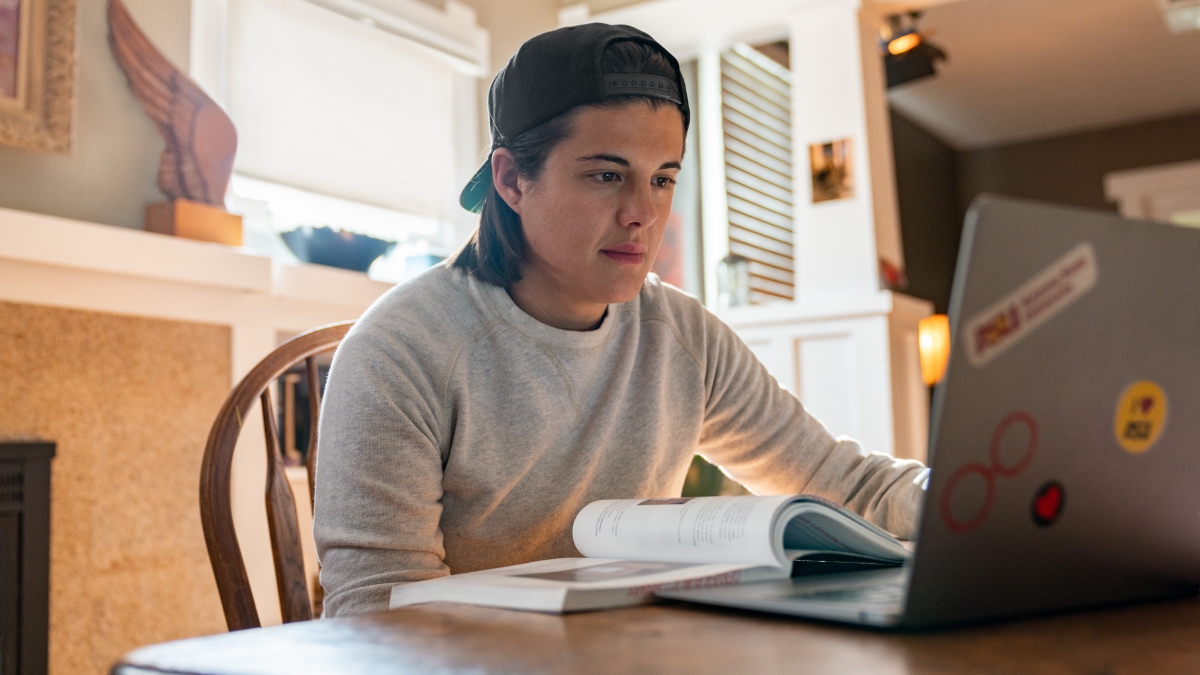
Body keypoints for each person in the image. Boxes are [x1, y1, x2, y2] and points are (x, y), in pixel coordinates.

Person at [313, 23, 928, 618]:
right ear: (511, 180)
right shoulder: (401, 351)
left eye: (662, 179)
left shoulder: (682, 336)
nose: (643, 213)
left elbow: (842, 485)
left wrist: (977, 501)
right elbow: (377, 611)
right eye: (607, 175)